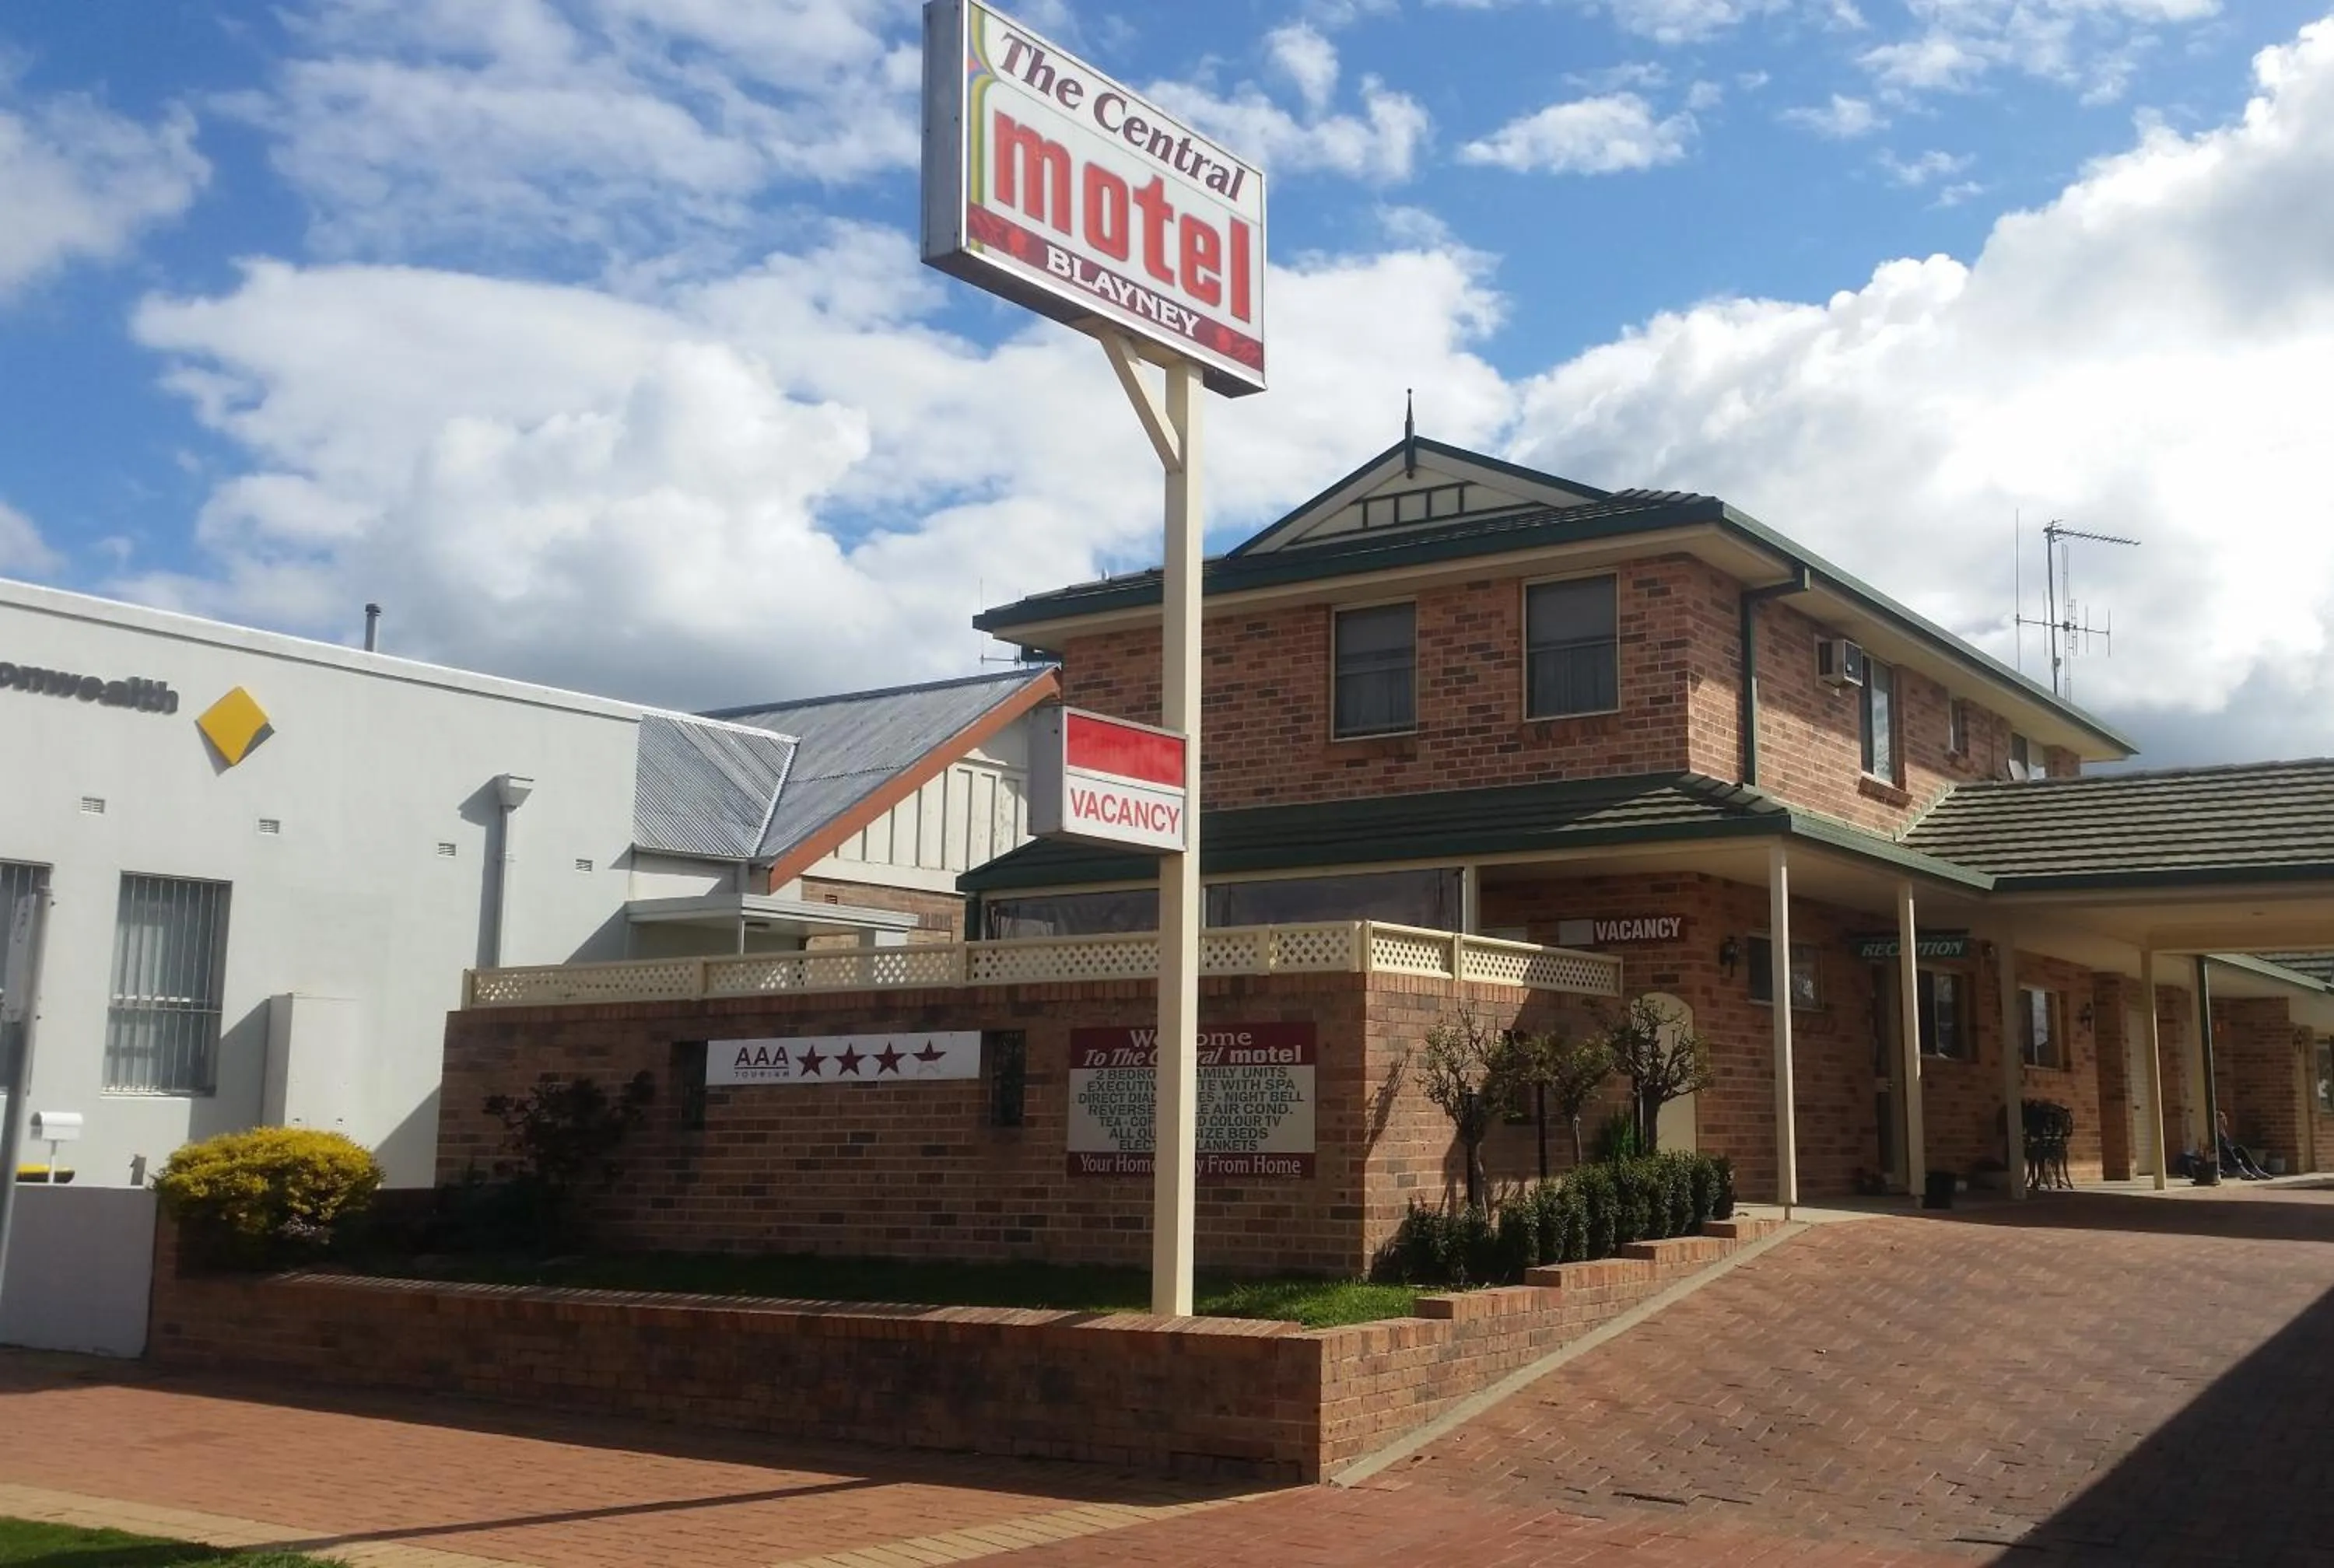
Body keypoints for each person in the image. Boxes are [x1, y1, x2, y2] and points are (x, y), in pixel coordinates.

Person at [2217, 1110, 2272, 1181]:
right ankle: (2240, 1171)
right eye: (2219, 1123)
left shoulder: (2223, 1132)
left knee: (2240, 1149)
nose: (2221, 1125)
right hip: (2221, 1157)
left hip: (2228, 1154)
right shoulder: (2214, 1134)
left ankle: (2255, 1170)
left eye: (2222, 1122)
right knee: (2225, 1149)